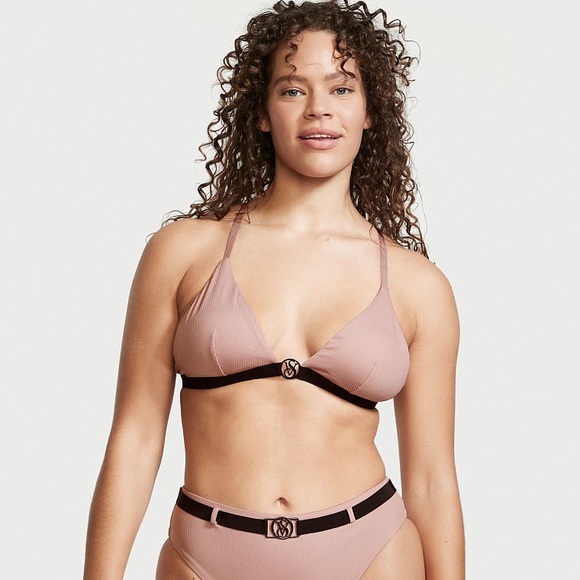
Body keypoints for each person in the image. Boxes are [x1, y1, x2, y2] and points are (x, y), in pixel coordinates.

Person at [84, 0, 464, 578]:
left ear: (371, 112)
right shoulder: (183, 253)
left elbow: (432, 479)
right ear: (262, 113)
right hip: (204, 556)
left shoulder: (420, 286)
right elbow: (134, 439)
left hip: (373, 554)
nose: (319, 110)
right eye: (292, 90)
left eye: (342, 89)